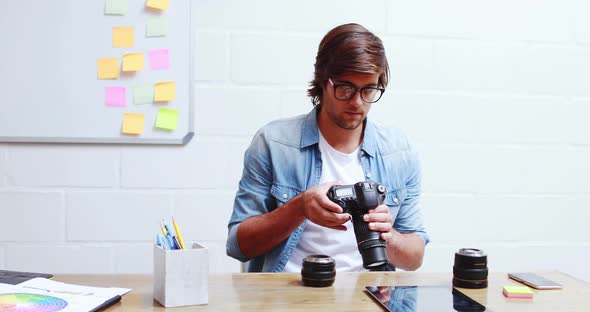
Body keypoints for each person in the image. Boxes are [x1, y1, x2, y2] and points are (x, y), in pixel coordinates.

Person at [226, 23, 429, 272]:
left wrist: (389, 235)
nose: (357, 102)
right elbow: (238, 247)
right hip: (286, 296)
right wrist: (299, 208)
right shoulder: (274, 143)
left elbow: (414, 258)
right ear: (323, 80)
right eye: (345, 88)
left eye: (368, 89)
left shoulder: (399, 152)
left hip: (366, 296)